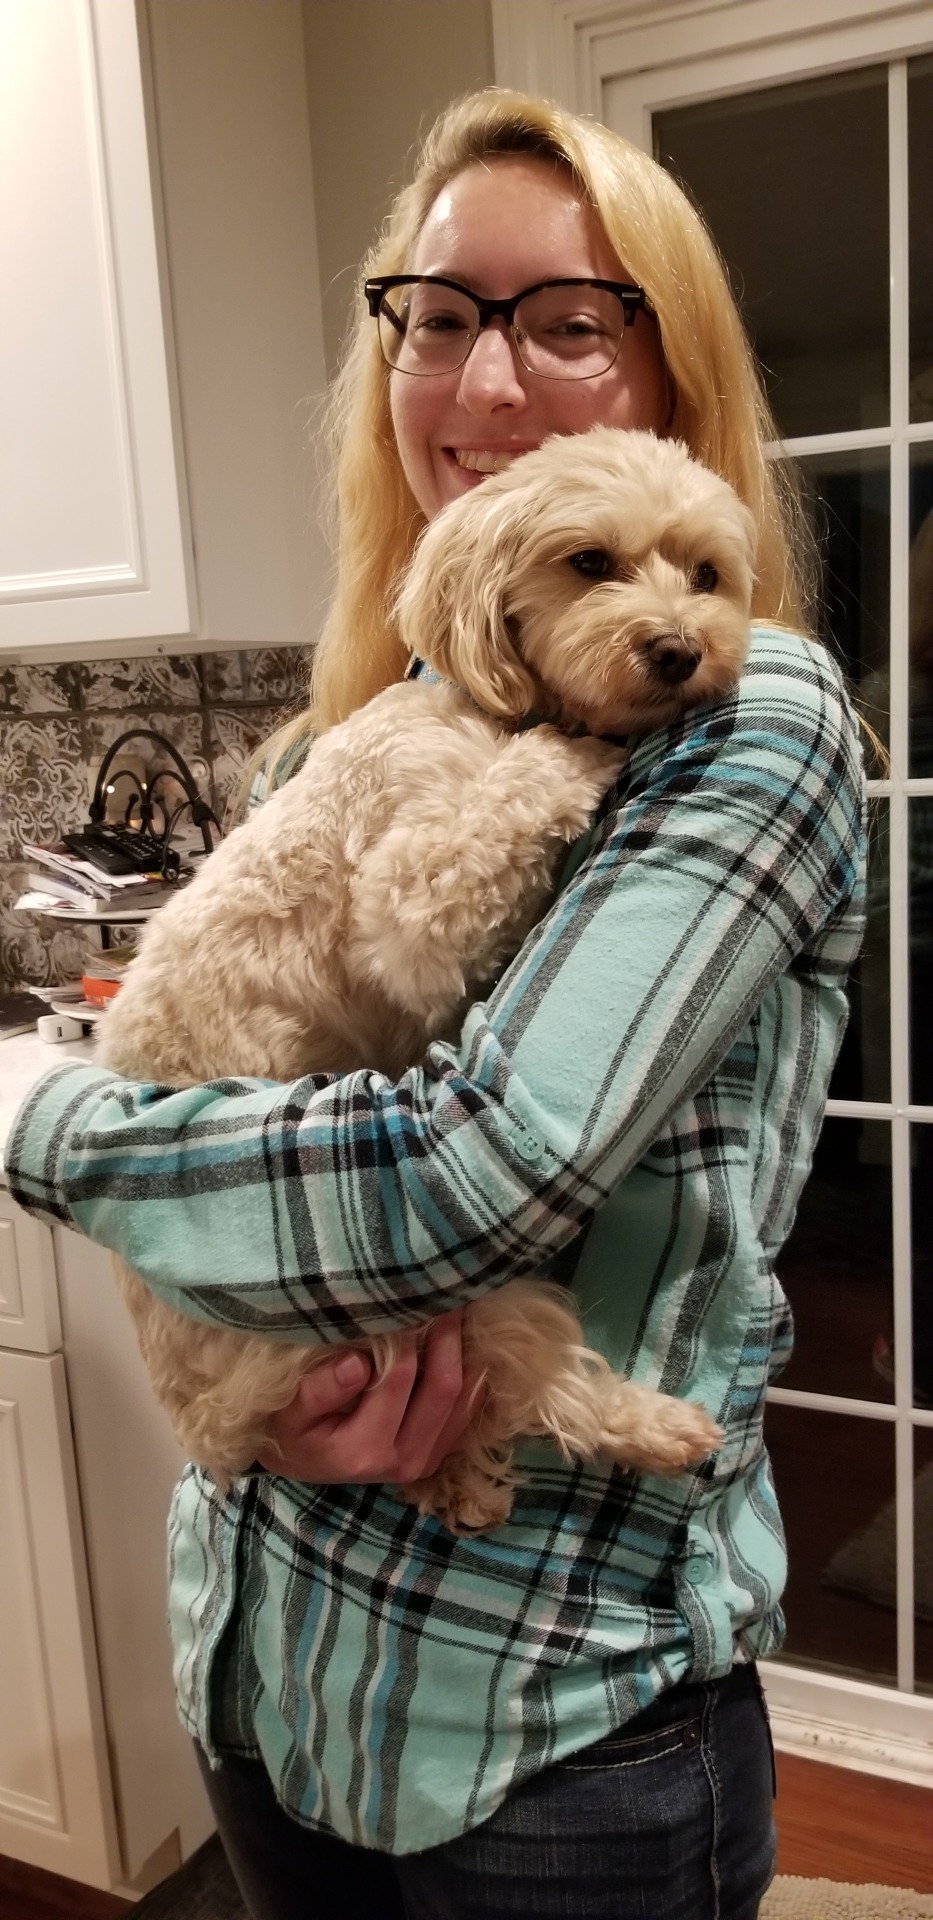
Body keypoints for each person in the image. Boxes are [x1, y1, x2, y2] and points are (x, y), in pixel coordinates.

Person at [7, 89, 866, 1920]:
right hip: (263, 1651)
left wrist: (60, 1130)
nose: (484, 387)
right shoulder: (354, 730)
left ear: (668, 377)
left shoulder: (749, 715)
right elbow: (307, 1111)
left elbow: (470, 1169)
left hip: (542, 1717)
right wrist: (261, 1343)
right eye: (442, 317)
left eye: (567, 323)